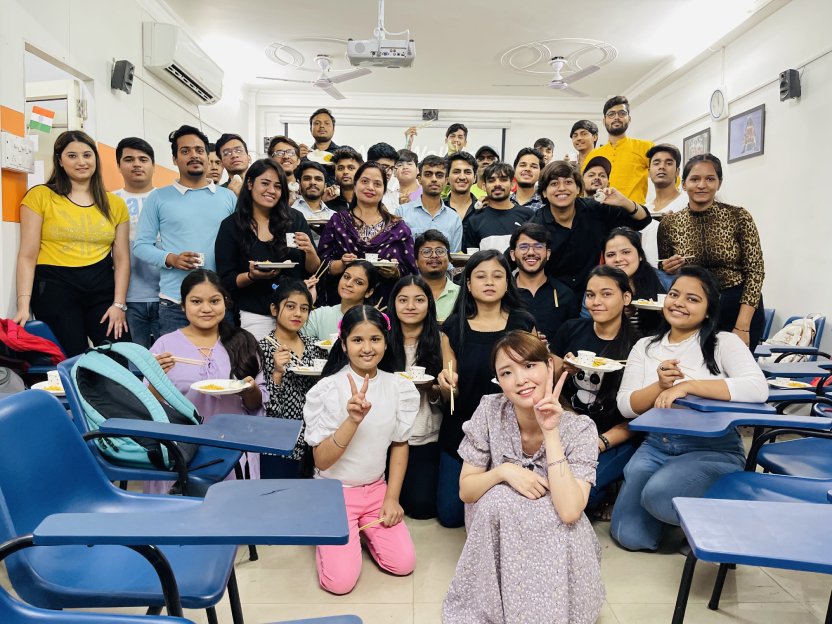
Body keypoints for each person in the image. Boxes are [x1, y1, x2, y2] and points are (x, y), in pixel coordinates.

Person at [443, 331, 604, 624]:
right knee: (499, 501)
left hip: (553, 525)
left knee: (555, 517)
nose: (520, 379)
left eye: (529, 366)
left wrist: (551, 431)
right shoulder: (490, 410)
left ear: (549, 368)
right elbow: (467, 491)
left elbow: (569, 511)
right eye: (507, 372)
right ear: (499, 381)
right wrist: (504, 471)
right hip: (499, 520)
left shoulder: (580, 428)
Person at [610, 266, 768, 551]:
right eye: (674, 294)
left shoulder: (723, 342)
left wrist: (687, 386)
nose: (679, 303)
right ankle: (686, 513)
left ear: (708, 310)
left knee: (657, 496)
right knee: (630, 537)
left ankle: (715, 519)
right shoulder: (645, 346)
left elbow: (758, 388)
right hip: (657, 446)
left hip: (712, 448)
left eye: (693, 299)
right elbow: (626, 406)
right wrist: (660, 385)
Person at [303, 305, 418, 594]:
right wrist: (352, 420)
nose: (367, 348)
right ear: (343, 344)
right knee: (339, 583)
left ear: (386, 341)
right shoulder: (329, 388)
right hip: (334, 492)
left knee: (404, 564)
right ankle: (334, 529)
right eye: (357, 340)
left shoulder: (398, 387)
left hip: (376, 490)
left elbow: (400, 445)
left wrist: (392, 498)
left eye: (375, 339)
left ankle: (363, 530)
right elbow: (321, 460)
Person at [436, 250, 536, 527]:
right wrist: (446, 384)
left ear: (507, 283)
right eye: (480, 276)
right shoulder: (454, 327)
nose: (489, 282)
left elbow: (535, 377)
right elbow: (450, 393)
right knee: (450, 516)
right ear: (468, 284)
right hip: (464, 428)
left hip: (513, 429)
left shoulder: (523, 322)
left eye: (497, 276)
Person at [13, 130, 130, 357]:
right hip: (55, 287)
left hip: (101, 288)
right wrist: (23, 305)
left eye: (87, 155)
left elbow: (122, 259)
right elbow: (27, 255)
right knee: (73, 358)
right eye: (72, 156)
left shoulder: (114, 204)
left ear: (96, 158)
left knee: (121, 355)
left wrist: (119, 304)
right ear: (59, 160)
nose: (81, 162)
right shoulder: (40, 196)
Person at [151, 269, 266, 491]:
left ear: (225, 302)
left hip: (232, 449)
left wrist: (249, 390)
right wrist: (157, 378)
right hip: (180, 449)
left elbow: (255, 405)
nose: (206, 308)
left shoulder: (243, 342)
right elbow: (149, 405)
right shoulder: (164, 346)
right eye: (196, 301)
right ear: (183, 305)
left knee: (230, 515)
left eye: (214, 301)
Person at [550, 265, 641, 517]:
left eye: (606, 294)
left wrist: (600, 442)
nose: (596, 302)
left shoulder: (638, 346)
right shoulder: (571, 329)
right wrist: (563, 370)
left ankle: (612, 488)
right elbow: (549, 386)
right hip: (569, 430)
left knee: (580, 498)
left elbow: (637, 416)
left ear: (626, 298)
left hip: (613, 438)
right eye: (590, 295)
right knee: (552, 489)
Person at [134, 125, 237, 335]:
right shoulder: (159, 197)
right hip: (175, 302)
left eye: (199, 150)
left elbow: (239, 243)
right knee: (176, 366)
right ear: (174, 159)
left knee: (226, 365)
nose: (194, 155)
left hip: (220, 299)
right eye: (185, 151)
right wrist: (171, 259)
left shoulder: (227, 197)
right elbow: (141, 246)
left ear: (208, 157)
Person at [657, 154, 766, 348]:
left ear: (719, 183)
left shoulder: (738, 216)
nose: (702, 185)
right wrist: (667, 266)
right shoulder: (669, 223)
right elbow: (665, 267)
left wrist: (742, 326)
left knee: (735, 373)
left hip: (738, 306)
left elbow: (755, 272)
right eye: (695, 179)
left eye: (710, 179)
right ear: (683, 184)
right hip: (692, 307)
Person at [214, 158, 320, 341]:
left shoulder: (295, 219)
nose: (271, 191)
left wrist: (310, 251)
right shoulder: (232, 226)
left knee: (296, 366)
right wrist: (251, 276)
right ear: (249, 184)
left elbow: (312, 268)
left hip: (295, 312)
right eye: (265, 183)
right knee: (259, 366)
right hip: (255, 313)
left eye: (278, 186)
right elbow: (226, 280)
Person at [529, 160, 652, 296]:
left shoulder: (595, 209)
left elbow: (643, 220)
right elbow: (513, 256)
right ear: (544, 192)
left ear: (578, 189)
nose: (562, 188)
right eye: (554, 184)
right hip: (555, 297)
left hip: (596, 294)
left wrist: (624, 202)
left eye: (568, 182)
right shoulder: (536, 225)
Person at [385, 276, 448, 519]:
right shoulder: (382, 340)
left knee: (422, 508)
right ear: (394, 304)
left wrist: (433, 389)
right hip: (388, 437)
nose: (410, 306)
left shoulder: (441, 340)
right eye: (403, 300)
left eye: (419, 300)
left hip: (426, 436)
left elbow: (449, 397)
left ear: (429, 305)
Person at [317, 161, 417, 302]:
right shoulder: (338, 221)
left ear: (384, 190)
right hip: (342, 305)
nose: (370, 188)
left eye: (377, 184)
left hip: (384, 307)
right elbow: (321, 266)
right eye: (365, 181)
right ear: (355, 184)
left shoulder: (398, 227)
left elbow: (410, 271)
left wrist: (394, 272)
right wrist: (342, 264)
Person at [259, 280, 327, 478]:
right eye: (290, 306)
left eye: (304, 308)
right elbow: (264, 408)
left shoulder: (317, 347)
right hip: (277, 442)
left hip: (313, 439)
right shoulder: (261, 348)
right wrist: (277, 374)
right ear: (274, 309)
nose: (298, 313)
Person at [114, 137, 159, 349]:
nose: (137, 164)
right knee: (134, 362)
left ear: (153, 165)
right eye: (129, 159)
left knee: (167, 361)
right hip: (127, 297)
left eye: (143, 159)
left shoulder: (166, 198)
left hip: (166, 295)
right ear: (119, 166)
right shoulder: (110, 201)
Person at [509, 224, 579, 344]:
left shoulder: (565, 294)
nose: (531, 252)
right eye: (524, 247)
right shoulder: (504, 294)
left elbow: (574, 339)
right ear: (512, 254)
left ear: (548, 253)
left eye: (538, 246)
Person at [583, 96, 654, 204]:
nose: (616, 117)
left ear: (629, 119)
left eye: (622, 113)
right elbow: (583, 186)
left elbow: (667, 178)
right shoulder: (594, 154)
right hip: (600, 213)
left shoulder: (645, 147)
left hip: (633, 214)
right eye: (611, 114)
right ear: (604, 121)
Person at [603, 227, 665, 335]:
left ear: (640, 255)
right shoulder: (597, 286)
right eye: (611, 255)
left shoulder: (661, 280)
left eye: (626, 252)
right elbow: (587, 327)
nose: (618, 259)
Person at [462, 162, 533, 252]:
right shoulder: (474, 220)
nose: (497, 184)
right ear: (484, 186)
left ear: (512, 184)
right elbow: (472, 259)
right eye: (491, 180)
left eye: (503, 179)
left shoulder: (527, 215)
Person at [397, 155, 462, 252]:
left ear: (446, 181)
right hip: (410, 267)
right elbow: (398, 252)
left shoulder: (454, 218)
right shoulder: (402, 212)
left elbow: (453, 258)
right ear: (419, 179)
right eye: (428, 174)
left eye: (439, 175)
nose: (434, 179)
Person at [303, 260, 379, 340]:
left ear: (369, 292)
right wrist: (304, 300)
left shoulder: (373, 320)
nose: (348, 284)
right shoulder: (318, 315)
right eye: (346, 277)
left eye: (358, 282)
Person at [643, 143, 687, 269]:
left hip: (679, 278)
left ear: (677, 171)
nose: (662, 167)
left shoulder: (688, 202)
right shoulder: (644, 210)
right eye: (656, 163)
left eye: (668, 163)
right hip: (649, 280)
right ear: (649, 171)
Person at [414, 230, 459, 323]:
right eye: (426, 252)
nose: (434, 255)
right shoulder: (407, 294)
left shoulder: (462, 294)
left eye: (440, 251)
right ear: (416, 262)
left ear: (449, 259)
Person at [299, 108, 339, 185]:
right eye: (317, 123)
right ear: (311, 129)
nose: (322, 126)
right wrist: (296, 160)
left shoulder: (344, 152)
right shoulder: (304, 155)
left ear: (333, 129)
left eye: (326, 123)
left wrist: (340, 166)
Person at [292, 161, 335, 225]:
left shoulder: (333, 216)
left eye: (318, 179)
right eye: (307, 178)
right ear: (299, 184)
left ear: (325, 186)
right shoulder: (288, 212)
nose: (312, 182)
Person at [445, 151, 479, 228]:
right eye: (456, 172)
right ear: (447, 177)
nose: (462, 177)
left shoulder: (483, 209)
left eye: (467, 172)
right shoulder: (439, 208)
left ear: (474, 178)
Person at [367, 142, 401, 213]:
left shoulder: (394, 197)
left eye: (392, 168)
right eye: (385, 167)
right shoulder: (360, 193)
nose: (389, 173)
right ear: (369, 165)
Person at [327, 147, 364, 213]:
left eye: (351, 168)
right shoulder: (327, 199)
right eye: (340, 168)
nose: (345, 172)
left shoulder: (369, 198)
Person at [268, 135, 301, 204]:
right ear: (270, 160)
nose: (286, 156)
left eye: (291, 153)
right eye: (279, 153)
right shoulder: (266, 190)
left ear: (298, 161)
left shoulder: (305, 188)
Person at [215, 132, 251, 197]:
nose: (234, 155)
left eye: (239, 151)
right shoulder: (217, 194)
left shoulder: (263, 186)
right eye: (227, 153)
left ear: (249, 158)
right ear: (222, 162)